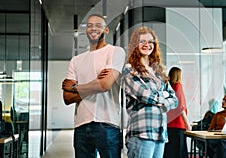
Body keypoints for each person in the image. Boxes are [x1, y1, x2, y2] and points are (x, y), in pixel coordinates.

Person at [61, 14, 125, 158]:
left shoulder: (115, 52)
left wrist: (75, 87)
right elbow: (67, 97)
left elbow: (105, 85)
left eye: (98, 25)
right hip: (81, 125)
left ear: (106, 30)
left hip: (107, 123)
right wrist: (95, 84)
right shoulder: (76, 60)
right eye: (89, 25)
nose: (93, 28)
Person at [122, 26, 178, 158]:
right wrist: (163, 97)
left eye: (150, 41)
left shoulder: (158, 71)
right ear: (135, 44)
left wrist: (161, 99)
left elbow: (174, 99)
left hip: (160, 132)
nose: (147, 45)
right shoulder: (130, 70)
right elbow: (144, 95)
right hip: (141, 132)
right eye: (142, 41)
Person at [163, 67, 191, 158]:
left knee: (170, 151)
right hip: (178, 124)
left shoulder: (167, 87)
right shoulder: (178, 86)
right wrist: (187, 123)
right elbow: (180, 106)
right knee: (179, 151)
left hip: (168, 123)